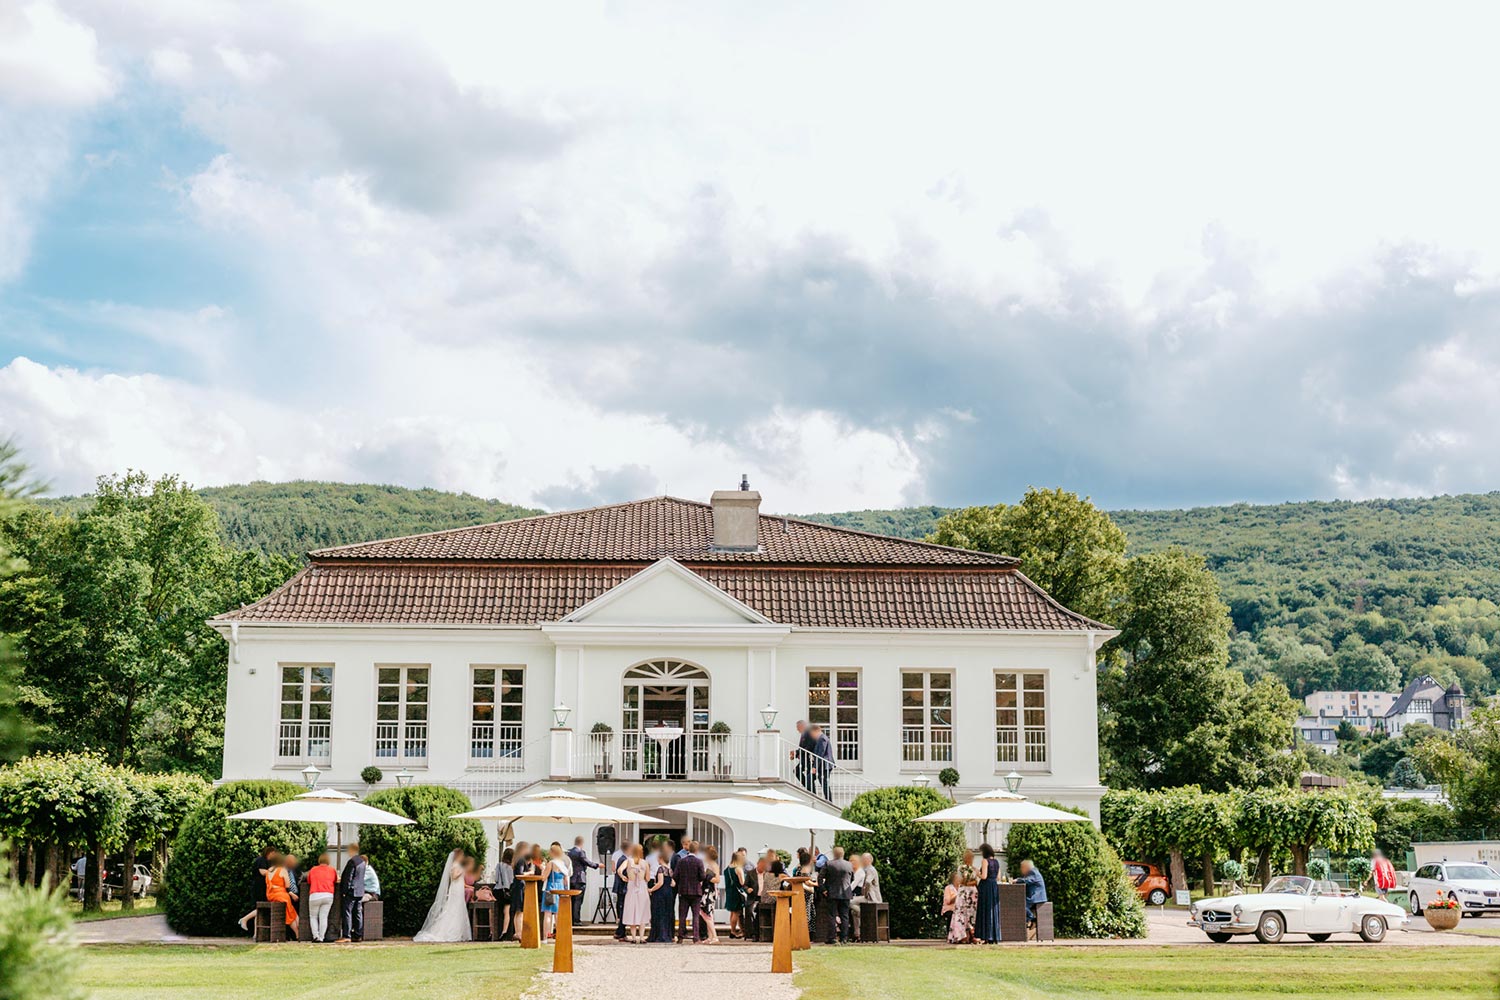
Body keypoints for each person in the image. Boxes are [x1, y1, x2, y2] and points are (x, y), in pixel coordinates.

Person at [414, 848, 472, 942]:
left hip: (459, 888)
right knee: (453, 909)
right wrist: (463, 870)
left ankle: (459, 931)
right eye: (462, 855)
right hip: (455, 889)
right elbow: (453, 876)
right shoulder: (455, 865)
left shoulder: (458, 865)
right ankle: (450, 931)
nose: (463, 857)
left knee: (458, 908)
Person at [238, 845, 278, 933]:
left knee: (260, 910)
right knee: (261, 908)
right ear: (270, 853)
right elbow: (263, 872)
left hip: (264, 888)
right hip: (259, 889)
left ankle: (256, 934)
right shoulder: (261, 860)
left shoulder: (268, 861)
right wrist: (274, 871)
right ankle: (244, 919)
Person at [672, 841, 706, 943]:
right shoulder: (699, 862)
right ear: (696, 850)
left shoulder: (681, 861)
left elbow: (675, 875)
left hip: (683, 891)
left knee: (682, 915)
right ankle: (696, 937)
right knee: (695, 915)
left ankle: (681, 936)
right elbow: (702, 876)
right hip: (696, 891)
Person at [821, 846, 854, 944]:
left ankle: (832, 938)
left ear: (834, 854)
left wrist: (823, 889)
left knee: (832, 915)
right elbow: (852, 878)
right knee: (845, 916)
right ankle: (844, 938)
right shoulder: (849, 865)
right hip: (845, 893)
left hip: (832, 893)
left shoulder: (828, 864)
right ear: (843, 854)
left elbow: (820, 877)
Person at [621, 843, 652, 942]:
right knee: (642, 911)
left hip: (631, 887)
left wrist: (622, 876)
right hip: (642, 887)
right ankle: (642, 937)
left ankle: (634, 937)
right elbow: (647, 878)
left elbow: (619, 870)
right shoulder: (645, 863)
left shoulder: (628, 861)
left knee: (632, 911)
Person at [336, 843, 366, 943]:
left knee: (347, 912)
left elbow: (348, 878)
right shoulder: (362, 861)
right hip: (360, 890)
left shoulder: (352, 862)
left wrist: (344, 891)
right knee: (358, 913)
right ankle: (358, 935)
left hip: (351, 891)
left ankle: (346, 935)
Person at [264, 853, 299, 939]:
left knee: (293, 912)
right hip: (281, 895)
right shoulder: (282, 870)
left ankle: (298, 932)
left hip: (270, 895)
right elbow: (287, 885)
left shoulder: (269, 870)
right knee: (290, 914)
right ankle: (297, 934)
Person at [305, 853, 338, 943]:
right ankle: (321, 937)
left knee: (313, 916)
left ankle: (315, 936)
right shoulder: (332, 870)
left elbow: (308, 880)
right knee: (324, 917)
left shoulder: (313, 870)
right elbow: (336, 880)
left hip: (315, 895)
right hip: (328, 895)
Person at [542, 842, 571, 942]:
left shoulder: (551, 863)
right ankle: (560, 936)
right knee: (558, 914)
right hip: (561, 888)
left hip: (551, 888)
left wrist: (542, 868)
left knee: (548, 914)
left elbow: (543, 877)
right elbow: (566, 880)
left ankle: (545, 937)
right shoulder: (563, 864)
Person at [567, 837, 599, 926]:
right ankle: (576, 920)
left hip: (571, 878)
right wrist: (597, 865)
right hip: (579, 879)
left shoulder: (569, 852)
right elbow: (587, 862)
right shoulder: (580, 852)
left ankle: (571, 919)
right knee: (578, 900)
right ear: (581, 843)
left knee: (572, 900)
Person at [975, 843, 1000, 943]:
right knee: (993, 910)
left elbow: (984, 876)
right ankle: (994, 936)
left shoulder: (985, 861)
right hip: (994, 886)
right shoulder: (997, 861)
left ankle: (986, 936)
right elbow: (998, 877)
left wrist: (977, 873)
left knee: (985, 910)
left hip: (986, 887)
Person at [649, 841, 675, 943]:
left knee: (659, 914)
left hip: (660, 894)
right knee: (667, 913)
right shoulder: (670, 870)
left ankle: (659, 935)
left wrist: (651, 889)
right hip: (669, 893)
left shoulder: (661, 869)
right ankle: (667, 934)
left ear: (660, 858)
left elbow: (660, 883)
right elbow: (673, 883)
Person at [954, 849, 979, 943]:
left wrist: (969, 883)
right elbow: (961, 881)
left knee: (972, 914)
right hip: (963, 893)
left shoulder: (974, 869)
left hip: (972, 894)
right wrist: (968, 882)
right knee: (961, 913)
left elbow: (976, 881)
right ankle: (962, 936)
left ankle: (972, 935)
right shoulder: (961, 868)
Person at [724, 848, 749, 939]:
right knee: (736, 912)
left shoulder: (727, 869)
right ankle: (733, 931)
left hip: (730, 892)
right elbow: (742, 882)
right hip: (737, 892)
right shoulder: (738, 869)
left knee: (732, 912)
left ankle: (732, 930)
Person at [510, 842, 532, 943]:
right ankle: (519, 933)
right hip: (520, 887)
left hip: (516, 887)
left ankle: (517, 932)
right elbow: (520, 873)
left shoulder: (516, 859)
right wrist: (530, 872)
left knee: (517, 911)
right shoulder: (521, 860)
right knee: (520, 911)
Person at [1013, 859, 1047, 924]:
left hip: (1037, 896)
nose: (1021, 870)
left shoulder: (1033, 872)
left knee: (1021, 904)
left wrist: (1017, 880)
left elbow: (1028, 880)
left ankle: (1032, 918)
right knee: (1021, 903)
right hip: (1036, 896)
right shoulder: (1033, 872)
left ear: (1026, 867)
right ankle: (1027, 922)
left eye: (1022, 867)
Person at [700, 846, 721, 944]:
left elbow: (717, 879)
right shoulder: (709, 864)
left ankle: (715, 936)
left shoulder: (713, 865)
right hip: (707, 890)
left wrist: (707, 878)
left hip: (709, 891)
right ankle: (710, 936)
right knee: (707, 913)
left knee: (706, 913)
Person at [494, 848, 515, 940]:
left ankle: (494, 932)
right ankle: (504, 931)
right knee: (507, 911)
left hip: (498, 890)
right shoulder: (513, 867)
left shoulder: (499, 865)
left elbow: (496, 879)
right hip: (509, 891)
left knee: (497, 911)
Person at [807, 723, 834, 800]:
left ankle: (829, 801)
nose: (812, 736)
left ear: (816, 731)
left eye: (812, 733)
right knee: (809, 778)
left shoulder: (822, 739)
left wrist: (815, 767)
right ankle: (814, 797)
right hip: (821, 765)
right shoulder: (820, 739)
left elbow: (821, 753)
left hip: (824, 766)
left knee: (825, 784)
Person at [942, 872, 963, 942]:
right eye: (957, 878)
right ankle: (950, 935)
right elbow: (948, 901)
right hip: (949, 908)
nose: (959, 880)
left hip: (960, 909)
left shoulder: (962, 888)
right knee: (951, 914)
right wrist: (957, 896)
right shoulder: (948, 888)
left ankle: (962, 936)